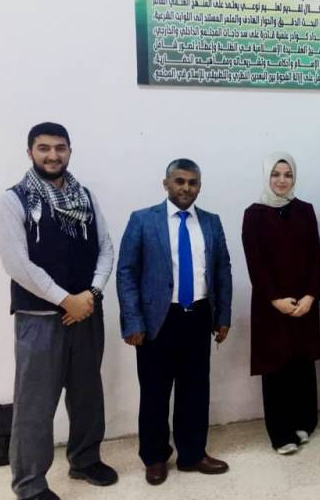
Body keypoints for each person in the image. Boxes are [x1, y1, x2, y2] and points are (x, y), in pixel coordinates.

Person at [0, 122, 118, 500]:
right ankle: (30, 484)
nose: (53, 155)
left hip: (87, 313)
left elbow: (106, 248)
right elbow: (17, 263)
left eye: (60, 148)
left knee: (87, 394)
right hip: (40, 320)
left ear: (69, 151)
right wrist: (66, 300)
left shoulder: (86, 196)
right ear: (30, 152)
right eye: (44, 148)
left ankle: (84, 460)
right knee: (35, 404)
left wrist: (91, 294)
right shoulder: (14, 200)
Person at [116, 158, 233, 484]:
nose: (186, 188)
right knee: (154, 392)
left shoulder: (211, 222)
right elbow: (126, 272)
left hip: (198, 316)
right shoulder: (142, 220)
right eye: (179, 181)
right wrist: (132, 321)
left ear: (199, 187)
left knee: (195, 390)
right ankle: (154, 457)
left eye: (192, 182)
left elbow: (222, 270)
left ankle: (192, 454)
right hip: (158, 320)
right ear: (166, 183)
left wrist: (222, 316)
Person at [242, 152, 320, 455]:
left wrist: (310, 296)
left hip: (303, 304)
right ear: (267, 177)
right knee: (276, 368)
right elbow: (255, 262)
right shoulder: (254, 214)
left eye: (288, 174)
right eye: (275, 174)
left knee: (302, 364)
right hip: (270, 306)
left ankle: (304, 423)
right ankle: (280, 433)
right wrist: (275, 299)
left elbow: (315, 256)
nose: (282, 180)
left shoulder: (305, 210)